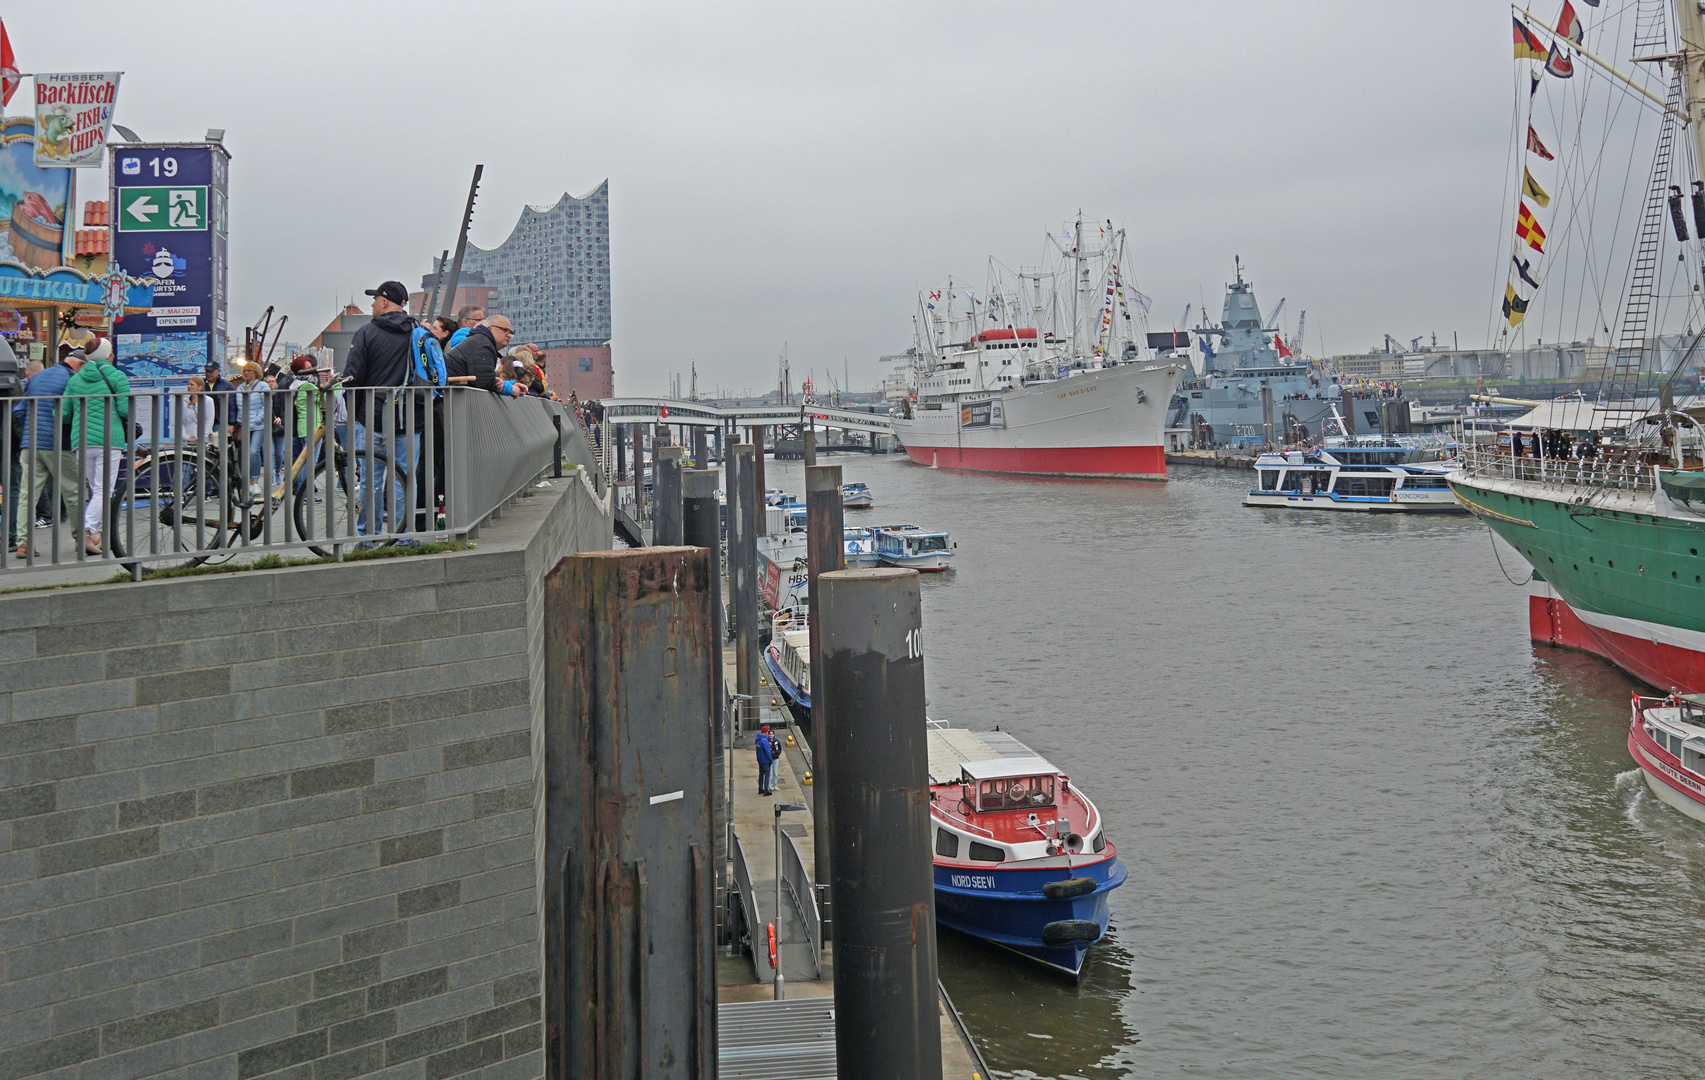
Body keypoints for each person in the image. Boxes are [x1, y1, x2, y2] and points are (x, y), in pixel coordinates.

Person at [341, 280, 423, 539]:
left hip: (373, 417)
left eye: (375, 299)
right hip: (410, 418)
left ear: (385, 301)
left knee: (371, 482)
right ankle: (405, 537)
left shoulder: (367, 333)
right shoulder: (418, 332)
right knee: (406, 480)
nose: (373, 305)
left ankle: (369, 538)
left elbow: (353, 377)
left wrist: (355, 417)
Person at [62, 336, 130, 555]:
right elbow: (126, 410)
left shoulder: (75, 379)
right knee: (104, 489)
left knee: (96, 490)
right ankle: (86, 530)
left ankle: (98, 535)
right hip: (109, 439)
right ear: (107, 355)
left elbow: (63, 414)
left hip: (81, 440)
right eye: (111, 352)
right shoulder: (117, 376)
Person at [10, 355, 72, 557]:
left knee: (27, 494)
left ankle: (23, 544)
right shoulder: (71, 379)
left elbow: (19, 410)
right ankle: (83, 539)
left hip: (31, 443)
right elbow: (71, 413)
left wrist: (29, 429)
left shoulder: (36, 380)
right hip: (58, 443)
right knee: (74, 490)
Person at [444, 315, 527, 398]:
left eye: (510, 332)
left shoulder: (481, 341)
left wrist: (508, 384)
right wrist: (510, 389)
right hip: (451, 398)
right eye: (505, 330)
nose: (508, 335)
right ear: (489, 328)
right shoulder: (483, 345)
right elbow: (484, 381)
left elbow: (486, 376)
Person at [755, 723, 777, 796]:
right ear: (765, 732)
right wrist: (770, 759)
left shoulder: (757, 740)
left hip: (760, 760)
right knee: (767, 775)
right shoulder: (764, 740)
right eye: (767, 732)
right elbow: (767, 751)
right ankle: (766, 790)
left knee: (761, 774)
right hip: (765, 761)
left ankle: (760, 789)